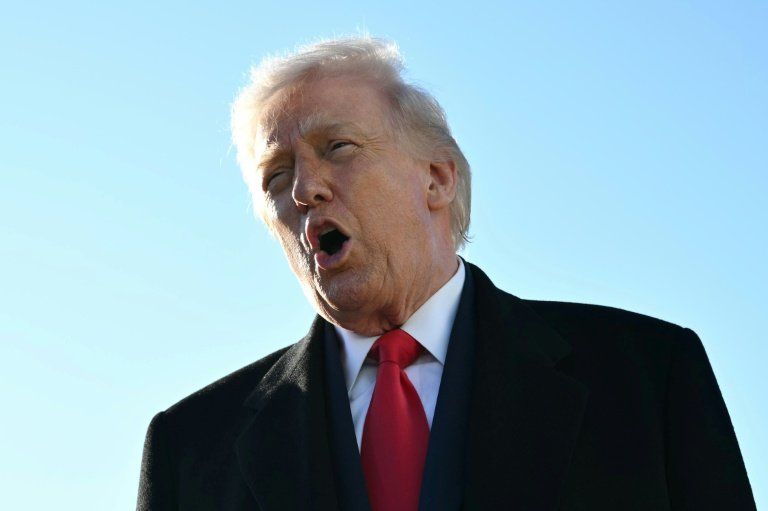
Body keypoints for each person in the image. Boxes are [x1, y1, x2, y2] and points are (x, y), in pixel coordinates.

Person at [136, 37, 756, 511]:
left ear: (437, 178)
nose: (304, 189)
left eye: (337, 147)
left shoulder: (648, 375)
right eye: (277, 176)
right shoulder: (189, 450)